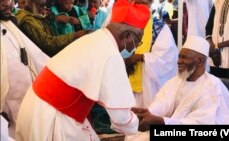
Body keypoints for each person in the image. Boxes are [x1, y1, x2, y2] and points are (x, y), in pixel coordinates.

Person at [15, 0, 150, 140]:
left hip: (40, 106)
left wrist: (126, 111)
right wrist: (138, 123)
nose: (135, 47)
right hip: (52, 115)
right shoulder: (111, 53)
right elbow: (122, 119)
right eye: (138, 41)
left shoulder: (96, 38)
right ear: (128, 36)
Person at [125, 36, 229, 141]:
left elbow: (199, 124)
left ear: (200, 61)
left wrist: (162, 121)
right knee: (133, 136)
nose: (179, 61)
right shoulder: (177, 81)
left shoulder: (212, 86)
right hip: (175, 127)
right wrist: (147, 114)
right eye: (179, 57)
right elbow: (162, 102)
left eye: (185, 58)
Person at [0, 0, 49, 139]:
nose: (8, 3)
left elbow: (37, 56)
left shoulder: (10, 25)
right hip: (5, 113)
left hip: (25, 103)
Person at [125, 8, 178, 108]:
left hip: (148, 84)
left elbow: (168, 57)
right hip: (126, 80)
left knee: (149, 115)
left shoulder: (158, 26)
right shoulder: (123, 23)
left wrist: (141, 57)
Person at [16, 0, 88, 57]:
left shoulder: (37, 15)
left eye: (45, 5)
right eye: (41, 5)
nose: (45, 8)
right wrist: (75, 36)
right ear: (30, 3)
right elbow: (47, 43)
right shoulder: (27, 20)